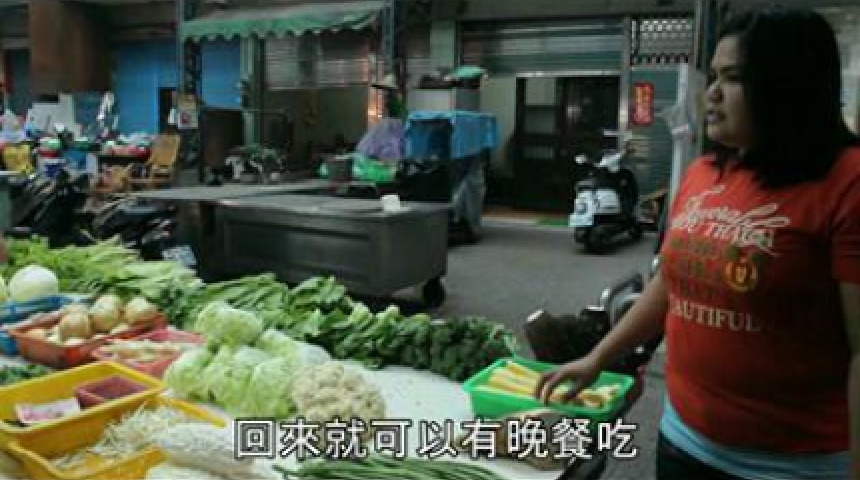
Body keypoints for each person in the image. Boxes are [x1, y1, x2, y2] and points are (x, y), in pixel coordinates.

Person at [536, 6, 860, 480]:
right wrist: (598, 359)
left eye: (734, 78)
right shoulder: (704, 173)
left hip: (795, 467)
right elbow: (669, 285)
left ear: (789, 85)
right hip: (685, 443)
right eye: (714, 76)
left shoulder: (847, 182)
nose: (712, 93)